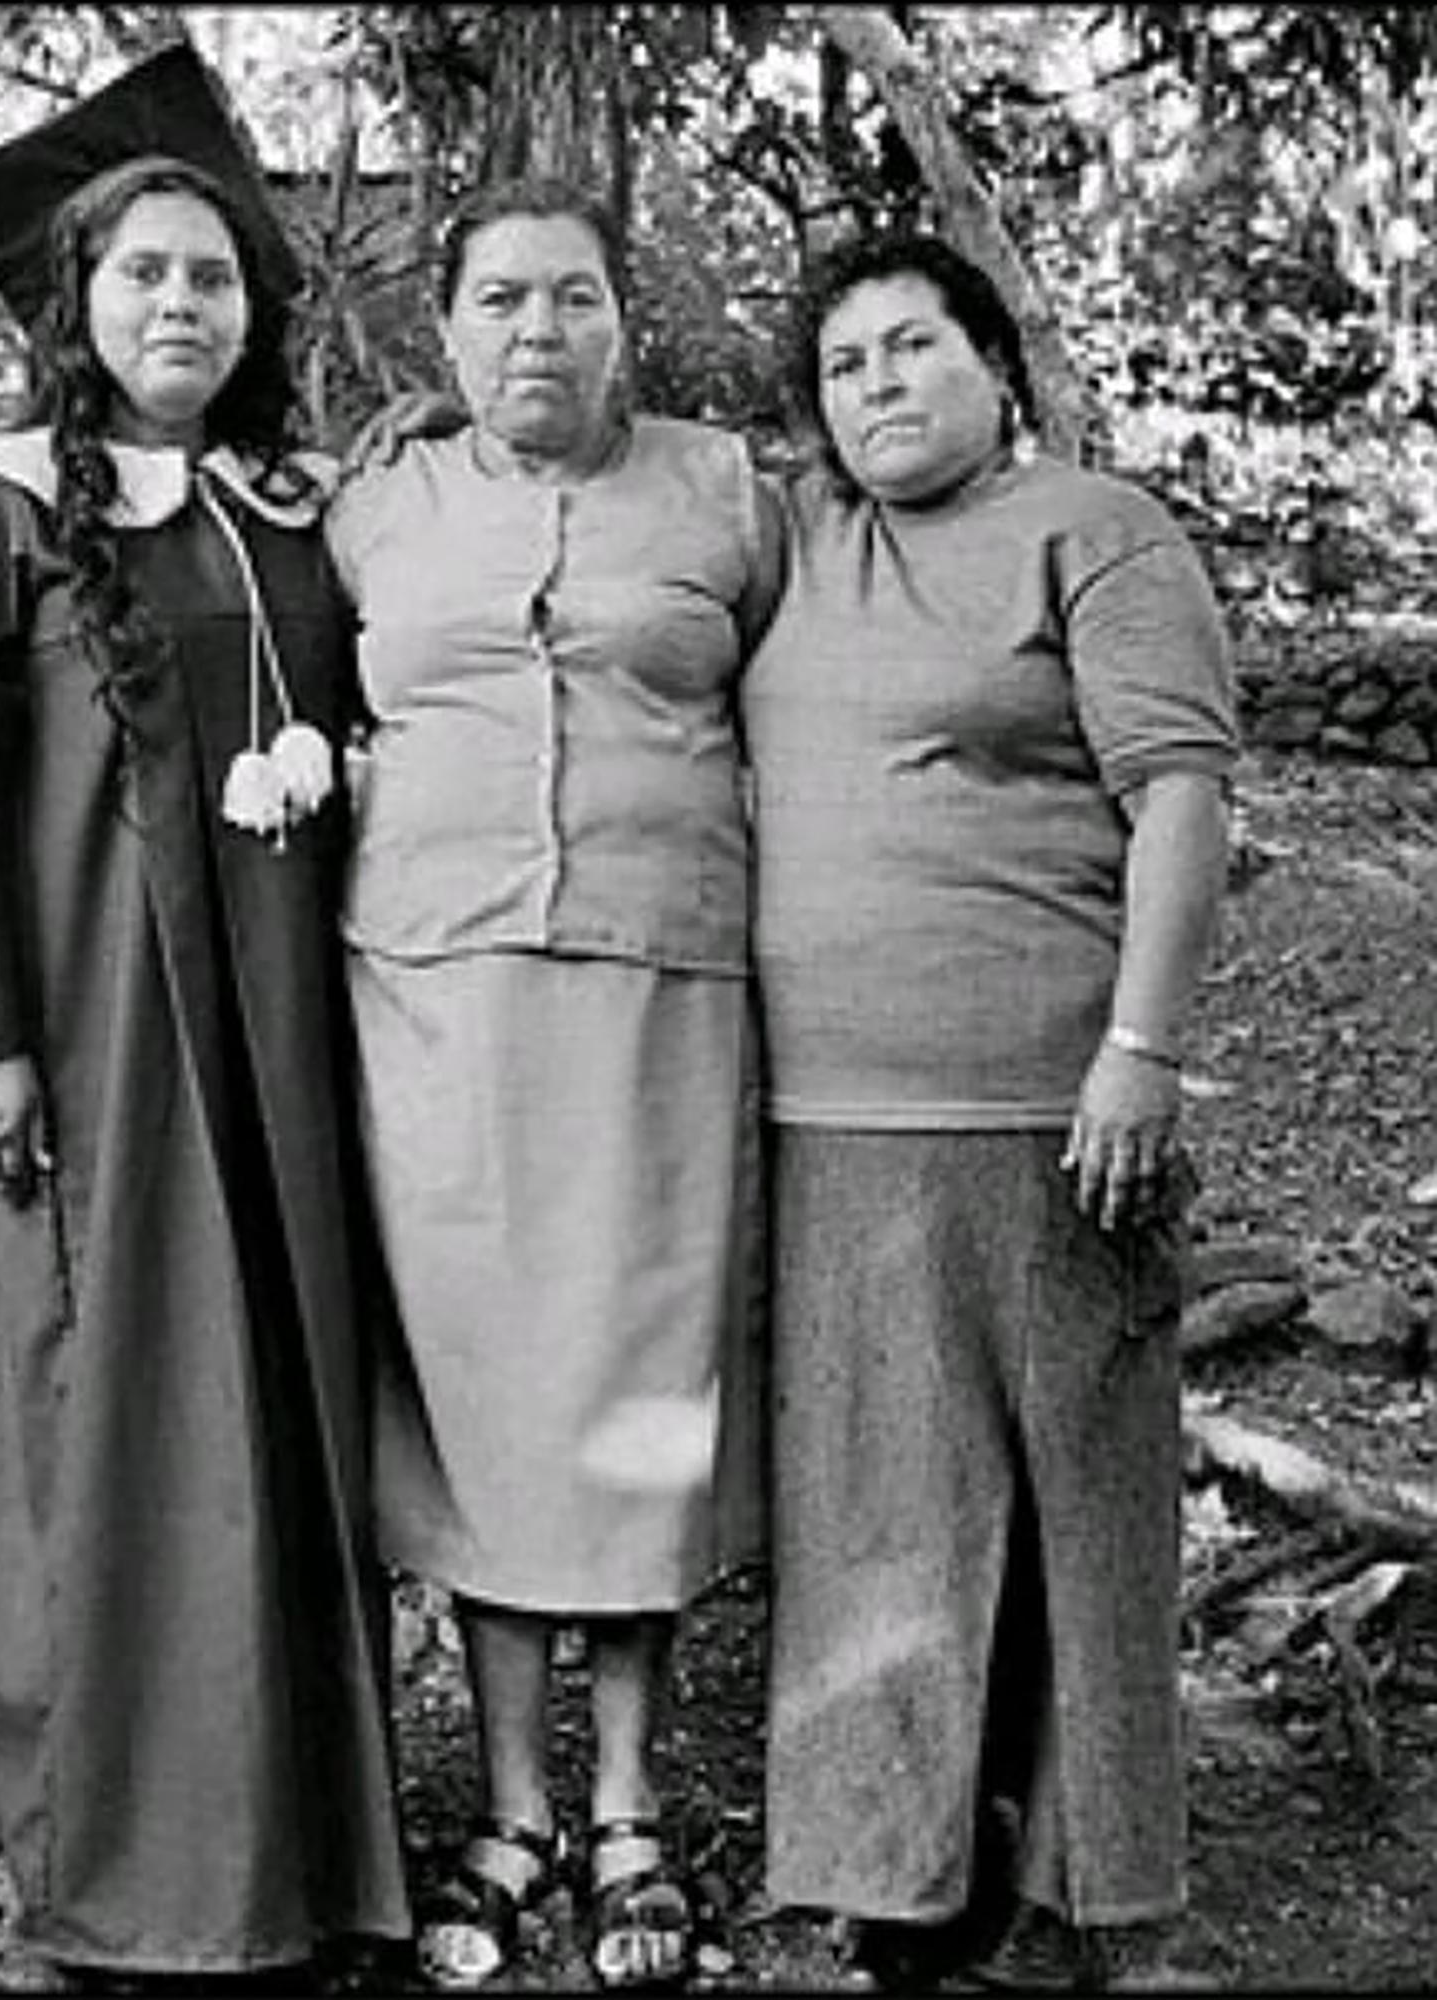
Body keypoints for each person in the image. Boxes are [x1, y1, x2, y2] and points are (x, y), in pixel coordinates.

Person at [0, 45, 410, 1989]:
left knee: (286, 1411)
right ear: (78, 305)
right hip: (104, 1040)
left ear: (253, 304)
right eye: (142, 278)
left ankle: (308, 1863)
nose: (180, 305)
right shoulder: (6, 499)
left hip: (291, 1036)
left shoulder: (302, 502)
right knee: (111, 1415)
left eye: (211, 275)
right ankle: (126, 1880)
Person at [742, 232, 1237, 1992]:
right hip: (829, 1120)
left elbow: (1180, 793)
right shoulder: (797, 546)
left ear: (995, 362)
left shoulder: (1096, 531)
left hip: (1049, 1106)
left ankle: (1087, 1898)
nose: (877, 385)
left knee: (1076, 1513)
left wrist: (1144, 1051)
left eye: (910, 348)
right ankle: (902, 1882)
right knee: (882, 1515)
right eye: (844, 365)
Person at [323, 176, 783, 1991]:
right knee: (486, 1396)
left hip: (663, 995)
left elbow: (820, 698)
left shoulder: (731, 495)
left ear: (625, 323)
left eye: (575, 299)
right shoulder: (374, 507)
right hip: (431, 1004)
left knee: (637, 1384)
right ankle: (514, 1806)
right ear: (445, 332)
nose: (540, 331)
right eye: (503, 300)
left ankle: (629, 1806)